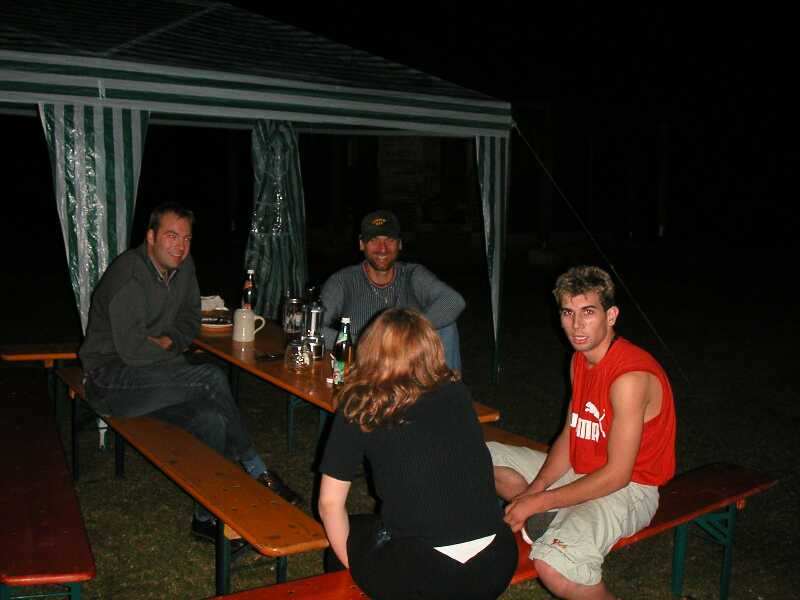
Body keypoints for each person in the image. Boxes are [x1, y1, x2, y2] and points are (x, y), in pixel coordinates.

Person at [79, 201, 302, 546]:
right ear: (150, 237)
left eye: (186, 238)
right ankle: (256, 468)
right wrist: (174, 359)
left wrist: (169, 341)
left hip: (153, 376)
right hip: (109, 379)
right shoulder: (129, 276)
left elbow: (189, 319)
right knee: (209, 377)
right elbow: (132, 350)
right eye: (171, 236)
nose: (180, 246)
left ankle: (205, 518)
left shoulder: (183, 267)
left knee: (211, 420)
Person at [487, 265, 676, 600]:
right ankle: (554, 515)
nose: (576, 325)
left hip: (630, 488)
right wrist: (536, 490)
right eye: (568, 313)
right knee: (481, 457)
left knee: (556, 567)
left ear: (611, 315)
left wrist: (537, 500)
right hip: (582, 468)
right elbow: (570, 435)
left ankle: (557, 521)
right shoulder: (580, 359)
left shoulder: (629, 378)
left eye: (588, 312)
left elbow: (618, 475)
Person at [318, 308, 517, 600]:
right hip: (497, 561)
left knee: (344, 542)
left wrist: (357, 567)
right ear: (432, 348)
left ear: (370, 350)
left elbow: (329, 504)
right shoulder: (457, 393)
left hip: (428, 573)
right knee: (366, 528)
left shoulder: (361, 404)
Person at [320, 209, 465, 370]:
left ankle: (449, 384)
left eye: (389, 240)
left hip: (411, 367)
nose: (382, 248)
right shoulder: (342, 281)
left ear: (399, 244)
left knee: (447, 327)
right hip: (366, 369)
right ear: (362, 244)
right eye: (374, 240)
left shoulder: (412, 274)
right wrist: (367, 343)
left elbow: (454, 301)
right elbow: (315, 328)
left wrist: (406, 332)